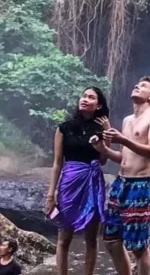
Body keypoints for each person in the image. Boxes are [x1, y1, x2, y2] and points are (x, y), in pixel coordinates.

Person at [95, 77, 150, 275]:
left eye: (143, 86)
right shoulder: (127, 120)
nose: (136, 86)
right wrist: (102, 148)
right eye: (136, 84)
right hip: (121, 182)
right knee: (111, 240)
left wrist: (123, 140)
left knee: (138, 245)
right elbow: (124, 158)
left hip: (141, 185)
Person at [44, 86, 111, 275]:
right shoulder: (64, 128)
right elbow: (57, 164)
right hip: (70, 183)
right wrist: (51, 194)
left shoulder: (100, 129)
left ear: (98, 106)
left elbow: (104, 160)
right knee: (64, 236)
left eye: (91, 97)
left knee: (91, 238)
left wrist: (107, 133)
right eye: (84, 96)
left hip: (93, 183)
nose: (85, 99)